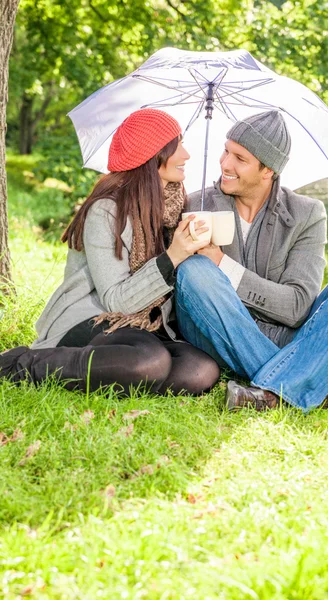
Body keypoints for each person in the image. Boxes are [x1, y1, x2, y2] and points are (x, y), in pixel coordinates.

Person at [173, 110, 328, 417]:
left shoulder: (307, 214)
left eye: (239, 158)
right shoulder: (195, 205)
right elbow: (186, 290)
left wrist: (224, 265)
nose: (225, 164)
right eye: (226, 151)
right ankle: (314, 382)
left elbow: (297, 307)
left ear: (268, 170)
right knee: (195, 272)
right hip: (216, 331)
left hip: (282, 330)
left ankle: (270, 393)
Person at [0, 109, 220, 396]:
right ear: (153, 155)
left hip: (145, 326)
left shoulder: (174, 208)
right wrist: (174, 256)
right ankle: (23, 363)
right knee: (150, 361)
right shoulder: (106, 210)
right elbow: (117, 300)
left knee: (200, 370)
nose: (186, 154)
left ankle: (120, 372)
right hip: (93, 318)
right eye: (177, 145)